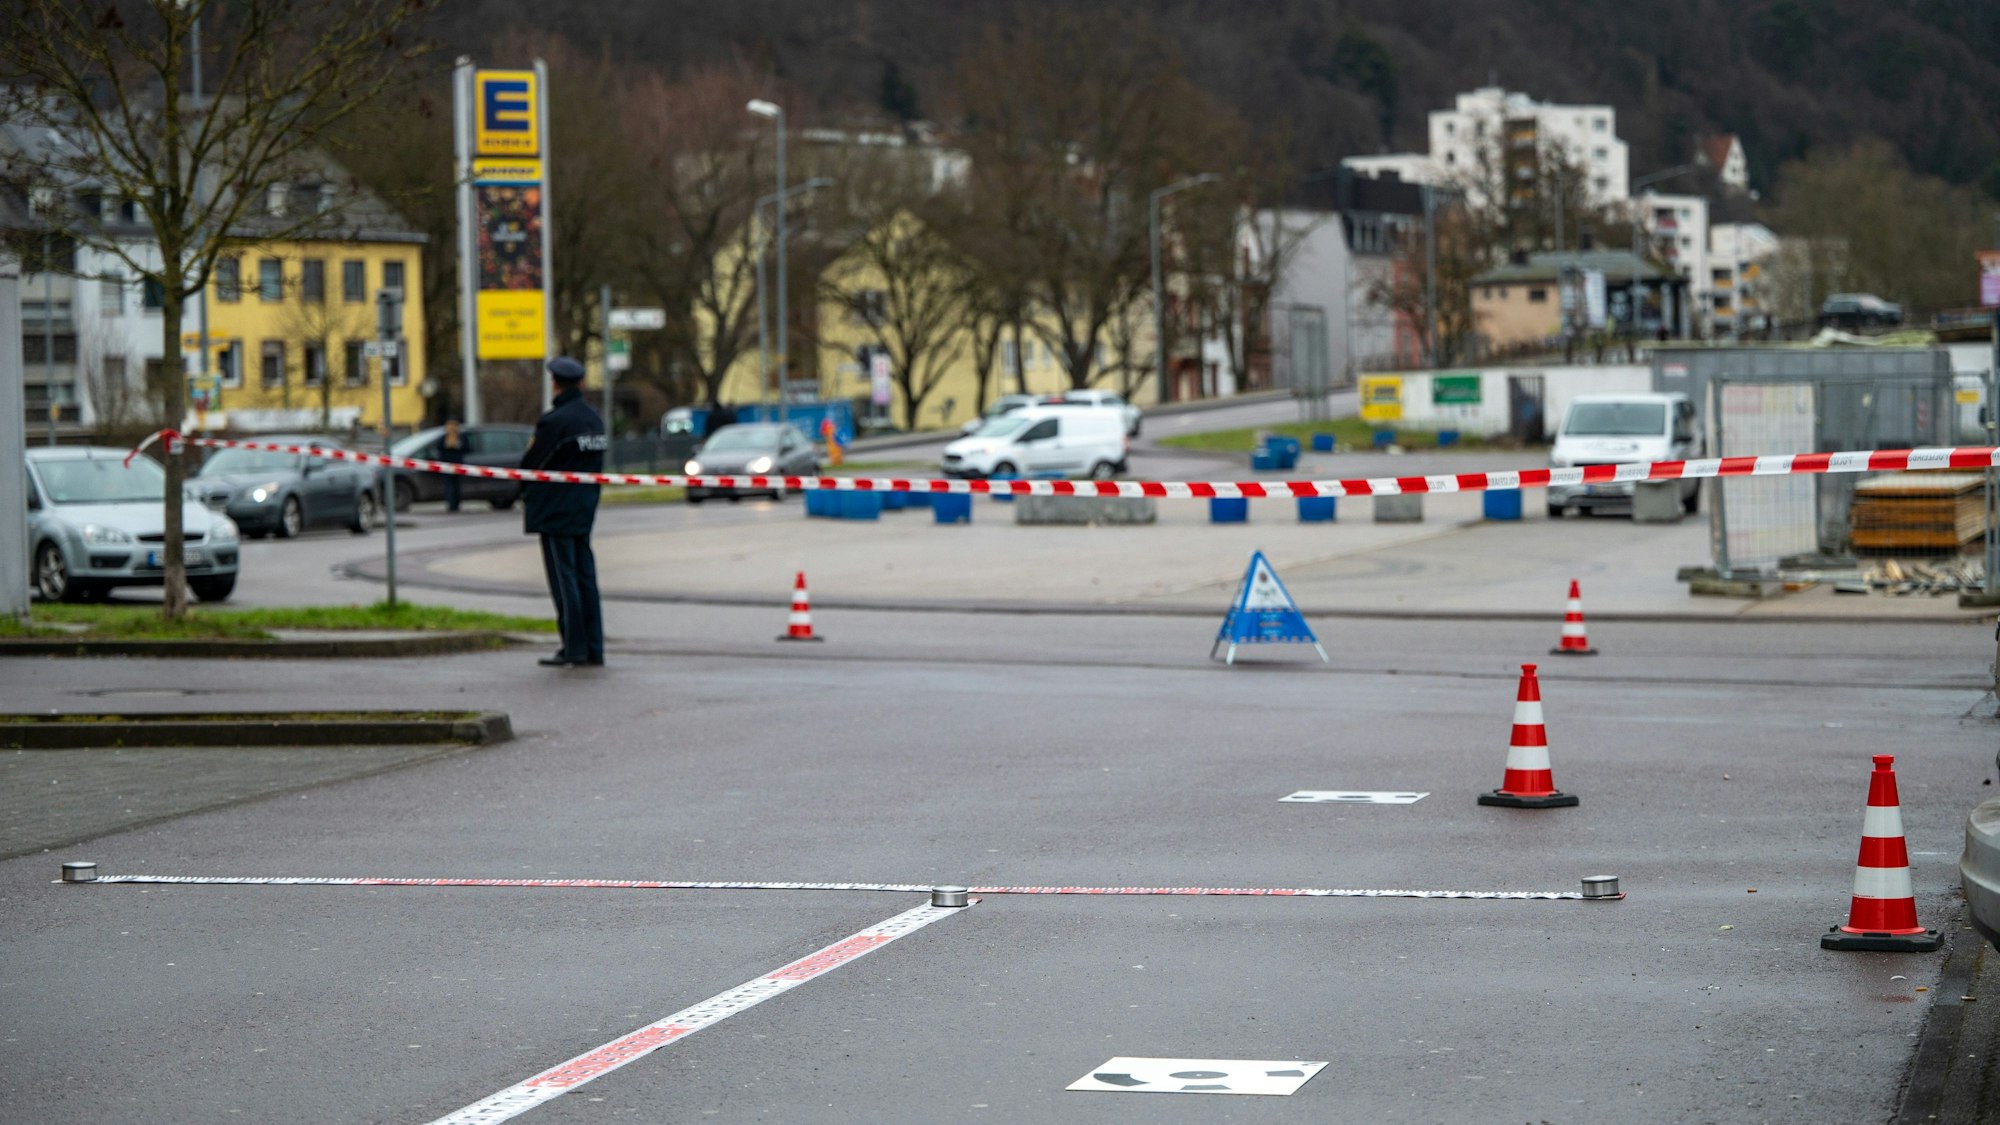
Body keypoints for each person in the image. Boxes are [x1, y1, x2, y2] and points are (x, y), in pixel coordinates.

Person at [521, 356, 607, 668]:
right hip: (584, 510)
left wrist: (521, 492)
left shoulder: (554, 422)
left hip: (555, 512)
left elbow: (531, 465)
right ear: (580, 383)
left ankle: (573, 647)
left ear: (555, 383)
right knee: (586, 577)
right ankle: (594, 647)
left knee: (564, 580)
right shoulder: (594, 420)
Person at [438, 418, 466, 512]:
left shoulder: (459, 437)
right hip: (452, 465)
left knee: (451, 486)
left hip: (451, 465)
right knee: (454, 486)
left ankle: (452, 504)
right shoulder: (446, 438)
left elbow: (439, 451)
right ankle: (454, 504)